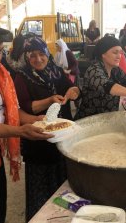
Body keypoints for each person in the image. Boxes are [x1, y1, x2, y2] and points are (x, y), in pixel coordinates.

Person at [0, 24, 52, 223]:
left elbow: (10, 112)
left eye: (0, 50)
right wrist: (19, 131)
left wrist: (35, 121)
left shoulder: (0, 75)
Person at [14, 36, 80, 221]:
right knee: (41, 185)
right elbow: (26, 106)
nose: (38, 59)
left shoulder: (57, 71)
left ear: (47, 53)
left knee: (62, 182)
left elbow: (73, 88)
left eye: (41, 54)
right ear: (27, 57)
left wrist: (73, 92)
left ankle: (62, 218)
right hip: (39, 139)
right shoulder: (22, 77)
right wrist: (50, 100)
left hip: (62, 135)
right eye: (32, 55)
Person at [75, 36, 126, 119]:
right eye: (115, 52)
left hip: (109, 120)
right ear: (103, 54)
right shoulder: (94, 70)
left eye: (120, 53)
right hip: (88, 122)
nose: (119, 56)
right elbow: (108, 86)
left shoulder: (116, 70)